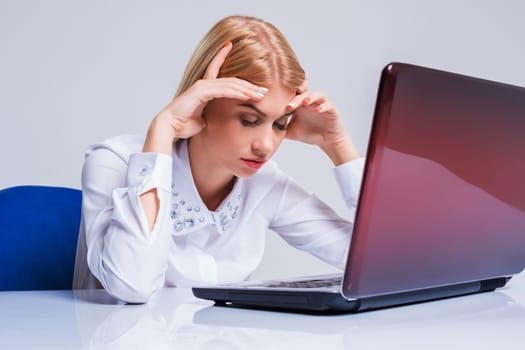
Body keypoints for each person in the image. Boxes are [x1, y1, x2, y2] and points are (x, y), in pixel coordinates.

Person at [73, 15, 364, 303]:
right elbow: (132, 285)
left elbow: (380, 262)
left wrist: (337, 145)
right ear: (204, 101)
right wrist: (164, 128)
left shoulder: (267, 185)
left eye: (280, 124)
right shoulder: (114, 161)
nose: (266, 145)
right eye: (249, 120)